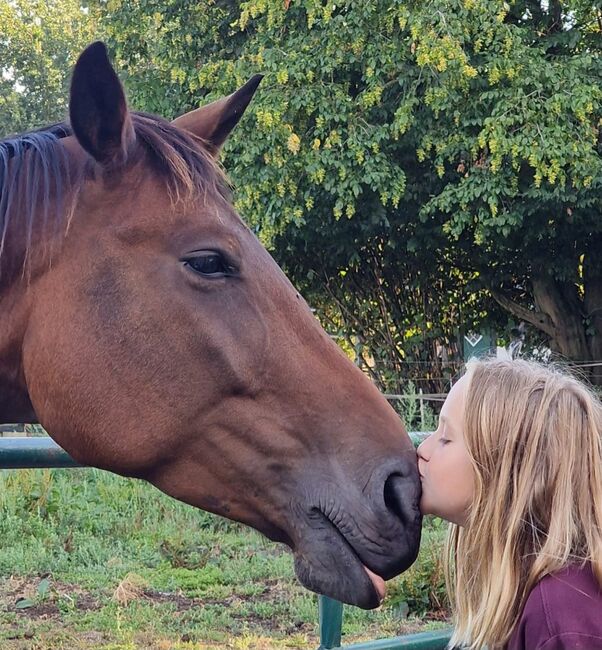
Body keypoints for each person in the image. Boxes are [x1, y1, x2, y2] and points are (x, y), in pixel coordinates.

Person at [417, 358, 602, 649]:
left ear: (508, 469)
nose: (422, 449)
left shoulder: (561, 619)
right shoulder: (538, 592)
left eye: (445, 438)